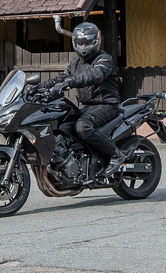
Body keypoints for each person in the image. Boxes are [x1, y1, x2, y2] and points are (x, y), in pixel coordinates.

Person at [29, 22, 124, 177]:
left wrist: (69, 82)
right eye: (80, 43)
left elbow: (94, 75)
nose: (83, 46)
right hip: (86, 106)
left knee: (82, 127)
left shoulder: (104, 59)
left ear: (96, 41)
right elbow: (60, 78)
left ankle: (116, 155)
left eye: (87, 43)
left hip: (106, 105)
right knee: (63, 125)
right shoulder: (75, 62)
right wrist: (39, 87)